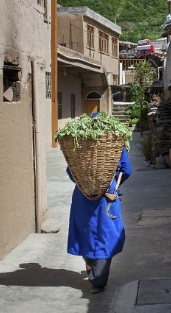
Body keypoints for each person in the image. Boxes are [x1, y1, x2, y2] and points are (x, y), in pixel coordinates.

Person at [66, 115, 133, 294]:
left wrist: (84, 182)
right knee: (107, 235)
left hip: (82, 195)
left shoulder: (79, 143)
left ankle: (89, 260)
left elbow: (70, 170)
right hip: (107, 195)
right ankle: (97, 281)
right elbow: (127, 169)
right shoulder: (114, 142)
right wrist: (113, 185)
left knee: (84, 230)